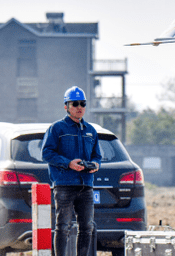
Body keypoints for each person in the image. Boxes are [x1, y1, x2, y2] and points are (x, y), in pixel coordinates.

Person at [42, 86, 102, 256]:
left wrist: (96, 165)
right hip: (65, 185)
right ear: (66, 106)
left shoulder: (91, 131)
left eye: (82, 103)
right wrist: (68, 163)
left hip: (86, 186)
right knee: (62, 227)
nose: (79, 107)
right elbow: (46, 153)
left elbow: (97, 156)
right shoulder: (57, 129)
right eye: (74, 103)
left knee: (87, 227)